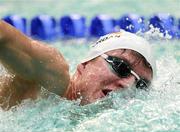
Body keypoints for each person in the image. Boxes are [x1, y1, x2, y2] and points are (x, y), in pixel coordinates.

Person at [0, 20, 155, 110]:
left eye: (141, 84)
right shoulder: (50, 74)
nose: (128, 84)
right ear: (86, 63)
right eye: (121, 67)